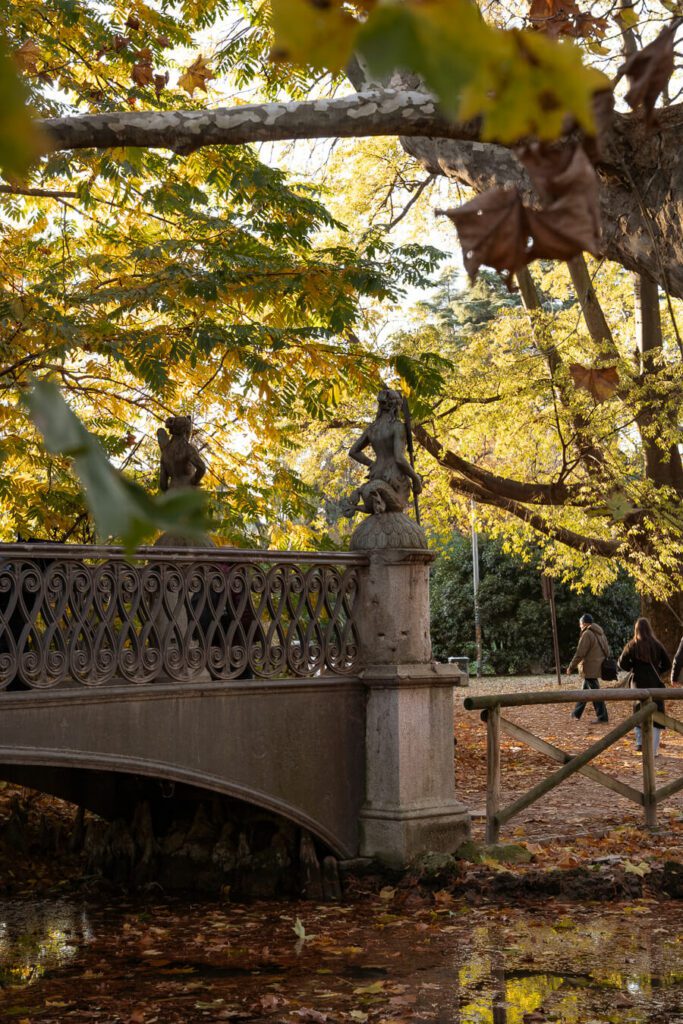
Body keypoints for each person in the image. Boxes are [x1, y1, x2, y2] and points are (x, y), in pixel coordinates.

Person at [618, 617, 671, 755]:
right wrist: (658, 671)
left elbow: (621, 663)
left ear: (636, 630)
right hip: (654, 683)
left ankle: (640, 743)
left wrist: (633, 667)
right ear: (649, 629)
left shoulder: (632, 645)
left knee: (638, 711)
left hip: (638, 683)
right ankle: (652, 750)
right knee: (657, 714)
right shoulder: (657, 645)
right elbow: (668, 663)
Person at [566, 613, 610, 723]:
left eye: (580, 624)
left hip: (589, 667)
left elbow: (580, 653)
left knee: (595, 693)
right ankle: (576, 713)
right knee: (585, 691)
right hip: (597, 666)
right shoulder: (601, 634)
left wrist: (571, 666)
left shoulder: (587, 634)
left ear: (584, 624)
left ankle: (602, 717)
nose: (580, 626)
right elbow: (607, 651)